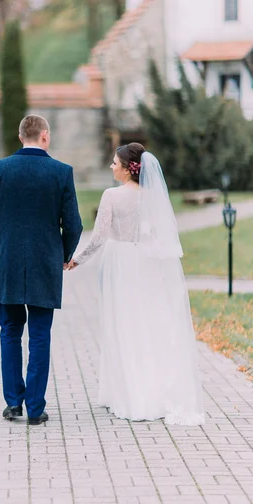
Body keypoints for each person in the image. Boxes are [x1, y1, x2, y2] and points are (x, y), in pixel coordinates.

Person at [69, 143, 205, 425]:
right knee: (147, 324)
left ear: (128, 169)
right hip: (147, 264)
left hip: (120, 263)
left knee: (123, 324)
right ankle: (148, 391)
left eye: (114, 163)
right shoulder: (153, 197)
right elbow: (159, 234)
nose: (111, 167)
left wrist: (76, 259)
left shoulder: (112, 195)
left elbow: (99, 237)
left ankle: (130, 395)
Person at [0, 114, 83, 425]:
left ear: (20, 135)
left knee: (9, 331)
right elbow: (75, 225)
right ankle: (36, 409)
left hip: (8, 261)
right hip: (45, 262)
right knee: (40, 335)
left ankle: (13, 404)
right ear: (45, 136)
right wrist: (64, 255)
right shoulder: (61, 172)